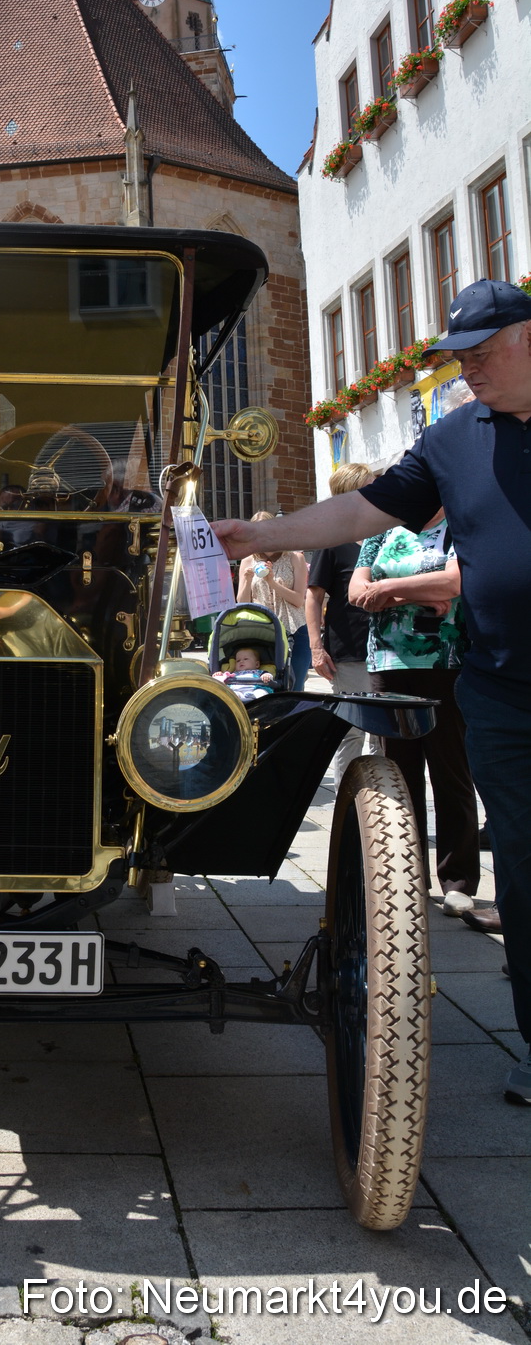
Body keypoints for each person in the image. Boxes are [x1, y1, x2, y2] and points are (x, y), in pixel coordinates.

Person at [211, 278, 531, 1107]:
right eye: (455, 358)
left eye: (480, 353)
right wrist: (263, 532)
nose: (466, 371)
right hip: (499, 689)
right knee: (525, 871)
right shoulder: (457, 438)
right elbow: (364, 509)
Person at [349, 512, 480, 916]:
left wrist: (389, 590)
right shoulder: (382, 532)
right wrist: (417, 593)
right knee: (398, 778)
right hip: (389, 665)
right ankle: (407, 878)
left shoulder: (457, 524)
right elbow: (356, 591)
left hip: (446, 663)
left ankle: (457, 880)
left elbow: (453, 582)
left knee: (450, 771)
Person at [306, 462, 374, 777]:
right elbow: (313, 597)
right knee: (353, 728)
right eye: (370, 484)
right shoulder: (332, 541)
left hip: (387, 649)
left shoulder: (383, 536)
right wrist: (316, 649)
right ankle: (349, 804)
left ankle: (384, 798)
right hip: (348, 649)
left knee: (386, 730)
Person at [238, 514, 310, 689]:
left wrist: (272, 583)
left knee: (295, 686)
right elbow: (241, 603)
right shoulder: (248, 560)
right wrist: (247, 580)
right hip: (264, 633)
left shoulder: (295, 557)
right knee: (265, 686)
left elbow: (299, 600)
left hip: (295, 630)